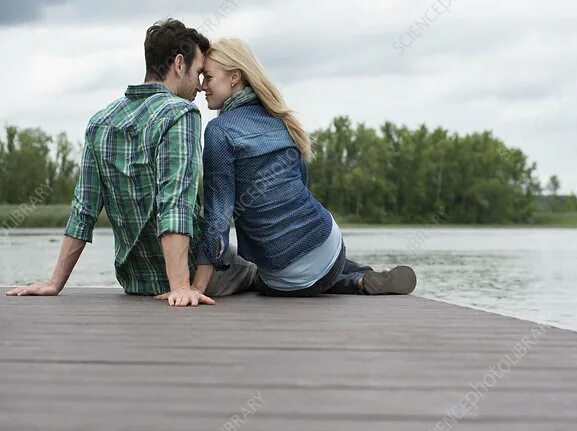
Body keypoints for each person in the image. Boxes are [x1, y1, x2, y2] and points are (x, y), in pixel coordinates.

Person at [6, 19, 256, 307]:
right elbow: (174, 204)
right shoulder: (180, 114)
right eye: (198, 72)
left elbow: (83, 209)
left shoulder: (100, 121)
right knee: (254, 266)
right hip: (186, 277)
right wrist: (180, 286)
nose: (200, 87)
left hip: (134, 281)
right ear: (178, 64)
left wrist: (54, 282)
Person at [190, 38, 416, 297]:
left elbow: (217, 216)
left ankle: (358, 280)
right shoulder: (280, 119)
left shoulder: (219, 130)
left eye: (207, 77)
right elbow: (300, 181)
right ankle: (365, 276)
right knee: (316, 270)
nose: (202, 86)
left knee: (263, 280)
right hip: (330, 242)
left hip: (286, 275)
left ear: (234, 77)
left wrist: (197, 287)